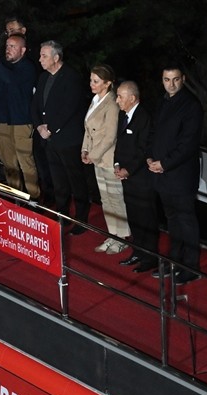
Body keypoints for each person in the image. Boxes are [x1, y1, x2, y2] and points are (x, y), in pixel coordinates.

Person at [147, 66, 203, 283]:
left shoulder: (191, 106)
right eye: (166, 79)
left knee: (186, 221)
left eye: (175, 79)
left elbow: (188, 143)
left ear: (183, 79)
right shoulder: (162, 101)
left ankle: (191, 267)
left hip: (180, 175)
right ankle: (175, 261)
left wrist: (165, 164)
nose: (171, 84)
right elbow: (153, 133)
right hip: (161, 174)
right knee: (172, 220)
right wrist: (150, 157)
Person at [32, 41, 90, 233]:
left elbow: (69, 108)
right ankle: (63, 215)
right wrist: (39, 126)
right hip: (48, 139)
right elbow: (35, 105)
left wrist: (52, 128)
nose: (40, 59)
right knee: (58, 181)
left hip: (68, 139)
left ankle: (82, 219)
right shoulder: (42, 78)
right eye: (40, 55)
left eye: (44, 56)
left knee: (75, 179)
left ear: (56, 58)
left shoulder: (72, 77)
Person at [0, 33, 39, 198]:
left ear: (23, 50)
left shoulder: (27, 67)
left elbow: (11, 80)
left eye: (12, 46)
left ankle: (33, 198)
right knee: (8, 162)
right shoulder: (1, 65)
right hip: (3, 121)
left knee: (25, 161)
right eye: (7, 46)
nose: (8, 49)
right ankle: (16, 196)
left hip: (21, 121)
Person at [82, 66, 129, 254]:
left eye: (96, 81)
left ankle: (123, 237)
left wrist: (92, 155)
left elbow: (110, 136)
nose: (92, 84)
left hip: (108, 159)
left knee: (116, 198)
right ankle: (113, 234)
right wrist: (85, 149)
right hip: (96, 159)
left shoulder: (112, 103)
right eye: (91, 80)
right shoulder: (95, 100)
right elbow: (88, 129)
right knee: (106, 199)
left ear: (108, 83)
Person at [113, 81, 159, 272]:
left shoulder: (144, 117)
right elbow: (119, 143)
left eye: (120, 97)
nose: (117, 101)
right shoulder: (124, 116)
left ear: (132, 98)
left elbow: (143, 149)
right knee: (133, 217)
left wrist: (128, 169)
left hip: (141, 180)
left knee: (146, 219)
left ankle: (150, 258)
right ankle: (137, 251)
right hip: (127, 179)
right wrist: (117, 165)